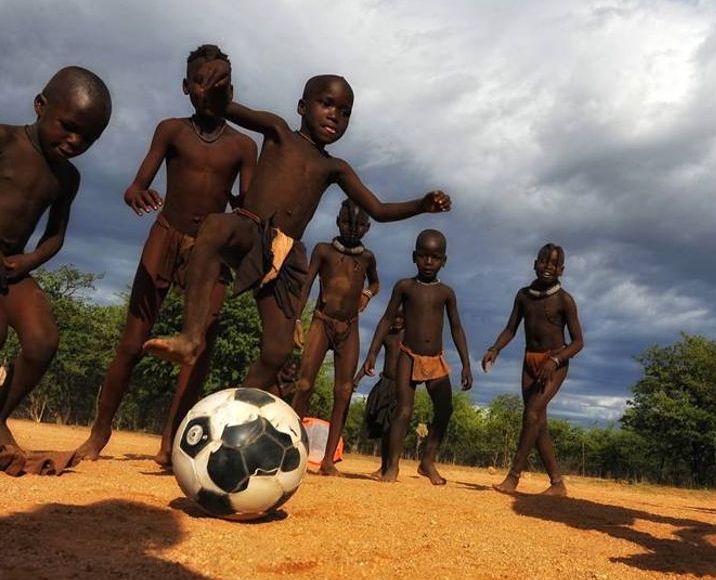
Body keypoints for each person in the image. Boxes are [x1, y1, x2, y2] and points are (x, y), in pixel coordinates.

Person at [142, 61, 451, 394]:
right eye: (327, 104)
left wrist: (421, 205)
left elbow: (378, 209)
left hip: (286, 252)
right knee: (216, 227)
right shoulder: (278, 131)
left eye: (345, 112)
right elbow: (227, 109)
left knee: (278, 350)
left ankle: (240, 410)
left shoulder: (335, 167)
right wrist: (216, 91)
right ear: (303, 107)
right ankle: (190, 338)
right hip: (251, 228)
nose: (335, 115)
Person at [76, 45, 257, 467]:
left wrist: (245, 227)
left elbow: (247, 210)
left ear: (231, 89)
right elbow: (136, 184)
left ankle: (171, 442)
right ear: (185, 87)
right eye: (200, 81)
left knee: (198, 348)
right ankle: (99, 432)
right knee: (132, 341)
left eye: (220, 82)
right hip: (166, 236)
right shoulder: (171, 130)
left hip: (210, 251)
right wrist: (137, 193)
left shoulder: (244, 146)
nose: (209, 89)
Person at [0, 67, 111, 468]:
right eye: (68, 126)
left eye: (89, 138)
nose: (75, 142)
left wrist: (28, 261)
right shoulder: (0, 139)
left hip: (7, 267)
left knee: (43, 338)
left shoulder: (69, 178)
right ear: (41, 106)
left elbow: (55, 236)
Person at [360, 230, 471, 485]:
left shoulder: (446, 293)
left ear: (444, 260)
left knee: (445, 409)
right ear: (414, 256)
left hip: (434, 359)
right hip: (407, 355)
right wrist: (373, 353)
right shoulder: (405, 287)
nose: (428, 262)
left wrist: (466, 363)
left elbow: (456, 327)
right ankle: (392, 467)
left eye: (435, 257)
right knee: (403, 410)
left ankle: (427, 461)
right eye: (423, 256)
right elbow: (387, 319)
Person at [483, 243, 583, 496]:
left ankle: (513, 477)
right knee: (538, 423)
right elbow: (511, 329)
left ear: (561, 270)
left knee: (531, 415)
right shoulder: (523, 296)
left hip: (555, 363)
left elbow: (578, 342)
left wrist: (556, 361)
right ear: (534, 263)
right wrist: (495, 348)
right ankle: (558, 483)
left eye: (553, 264)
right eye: (543, 261)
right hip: (530, 362)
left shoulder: (564, 300)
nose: (547, 267)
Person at [289, 199, 379, 475]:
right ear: (337, 222)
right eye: (346, 223)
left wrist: (367, 293)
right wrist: (296, 319)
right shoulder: (323, 251)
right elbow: (305, 285)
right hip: (321, 322)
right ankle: (290, 449)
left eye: (359, 225)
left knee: (343, 391)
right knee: (303, 384)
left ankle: (328, 460)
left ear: (367, 227)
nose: (352, 229)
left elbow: (376, 282)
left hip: (349, 327)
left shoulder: (367, 258)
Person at [355, 305, 404, 478]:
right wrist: (357, 379)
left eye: (401, 318)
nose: (397, 321)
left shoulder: (409, 337)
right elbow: (371, 359)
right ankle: (383, 467)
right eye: (395, 318)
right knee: (384, 428)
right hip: (385, 384)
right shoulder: (387, 337)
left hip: (401, 387)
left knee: (393, 428)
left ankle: (392, 466)